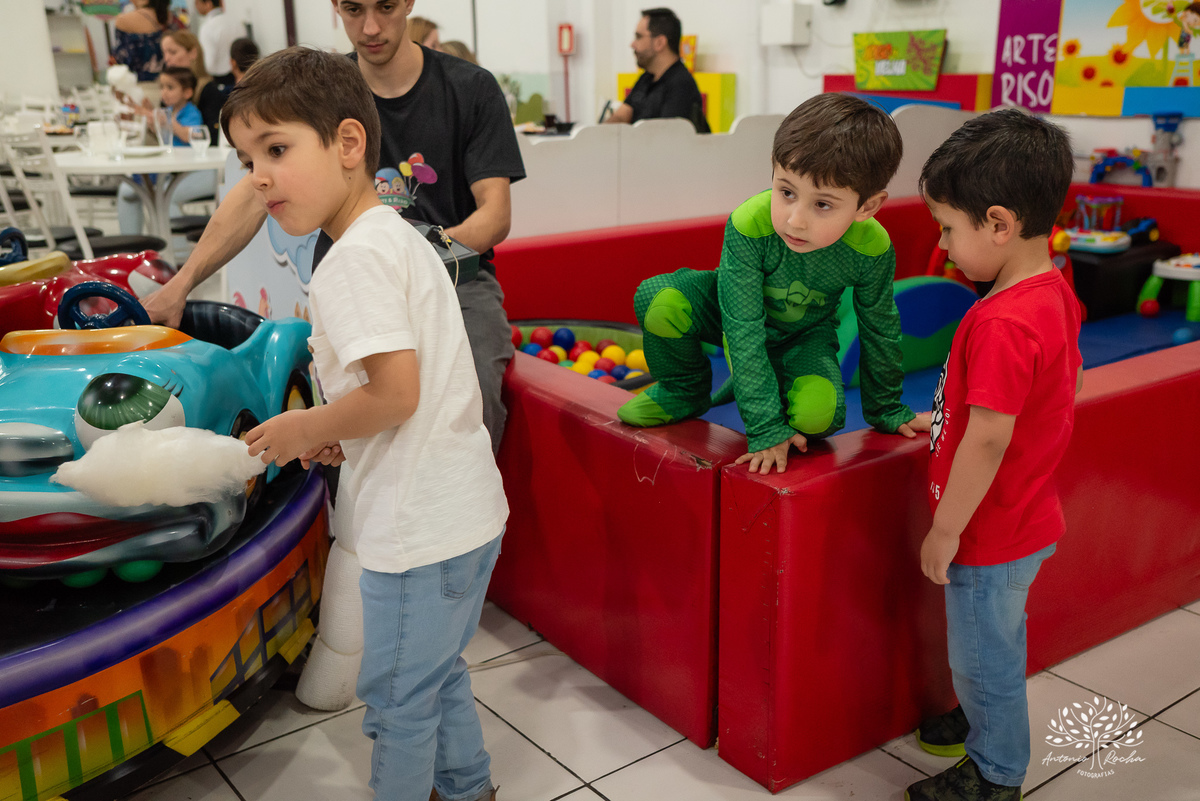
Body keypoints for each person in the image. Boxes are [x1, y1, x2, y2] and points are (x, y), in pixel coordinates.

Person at [226, 46, 508, 801]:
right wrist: (340, 434)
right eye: (248, 157)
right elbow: (404, 395)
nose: (258, 175)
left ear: (350, 144)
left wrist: (302, 424)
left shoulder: (350, 262)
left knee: (395, 700)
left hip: (417, 532)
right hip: (464, 515)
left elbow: (396, 392)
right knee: (437, 671)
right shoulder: (398, 236)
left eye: (277, 149)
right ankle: (467, 784)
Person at [144, 0, 526, 456]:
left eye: (385, 7)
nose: (369, 26)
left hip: (453, 279)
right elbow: (252, 193)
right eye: (352, 9)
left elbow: (494, 215)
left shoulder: (469, 88)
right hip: (352, 278)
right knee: (340, 426)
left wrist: (411, 262)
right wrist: (183, 282)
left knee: (469, 395)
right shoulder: (321, 88)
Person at [907, 109, 1082, 801]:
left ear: (1000, 224)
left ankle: (996, 769)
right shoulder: (1051, 292)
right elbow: (1021, 401)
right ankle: (980, 714)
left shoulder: (1002, 320)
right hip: (1027, 514)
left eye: (949, 228)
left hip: (988, 532)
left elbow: (990, 434)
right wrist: (941, 417)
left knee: (987, 654)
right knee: (992, 639)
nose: (943, 244)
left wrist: (946, 529)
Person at [618, 93, 928, 472]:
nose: (795, 220)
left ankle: (781, 389)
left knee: (818, 416)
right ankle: (684, 390)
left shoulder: (871, 250)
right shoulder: (751, 224)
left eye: (823, 205)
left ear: (867, 207)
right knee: (661, 299)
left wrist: (887, 408)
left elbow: (880, 329)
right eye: (786, 192)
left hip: (803, 338)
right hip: (730, 312)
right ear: (773, 169)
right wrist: (765, 427)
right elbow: (742, 326)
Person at [117, 66, 214, 238]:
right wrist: (151, 120)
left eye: (170, 87)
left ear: (187, 92)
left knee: (166, 198)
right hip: (170, 171)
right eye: (162, 87)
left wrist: (159, 117)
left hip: (190, 171)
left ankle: (178, 256)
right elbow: (163, 135)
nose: (164, 92)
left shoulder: (191, 112)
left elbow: (188, 135)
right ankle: (132, 248)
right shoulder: (168, 112)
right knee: (127, 190)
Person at [604, 7, 710, 133]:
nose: (632, 44)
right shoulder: (646, 78)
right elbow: (622, 115)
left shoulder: (681, 84)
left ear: (660, 43)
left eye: (638, 37)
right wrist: (599, 134)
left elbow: (664, 140)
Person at [162, 29, 226, 141]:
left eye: (172, 52)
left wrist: (176, 128)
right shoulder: (166, 91)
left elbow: (213, 135)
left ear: (192, 53)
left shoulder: (208, 90)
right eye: (164, 53)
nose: (166, 59)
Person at [111, 0, 170, 82]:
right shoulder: (169, 16)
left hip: (138, 85)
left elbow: (120, 59)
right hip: (168, 82)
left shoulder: (124, 20)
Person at [194, 0, 247, 83]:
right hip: (243, 74)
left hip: (221, 80)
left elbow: (209, 64)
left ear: (208, 4)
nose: (196, 7)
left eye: (197, 3)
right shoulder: (236, 21)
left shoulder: (207, 28)